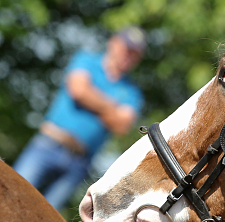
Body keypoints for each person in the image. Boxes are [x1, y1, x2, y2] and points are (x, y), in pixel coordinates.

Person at [14, 27, 146, 210]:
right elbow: (78, 91)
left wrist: (92, 97)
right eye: (127, 49)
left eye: (135, 54)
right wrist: (112, 108)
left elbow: (122, 125)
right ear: (113, 43)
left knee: (45, 215)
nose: (129, 56)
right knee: (11, 193)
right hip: (48, 144)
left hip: (79, 162)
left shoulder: (132, 92)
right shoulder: (86, 60)